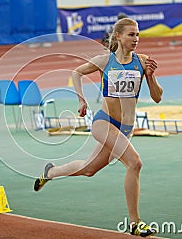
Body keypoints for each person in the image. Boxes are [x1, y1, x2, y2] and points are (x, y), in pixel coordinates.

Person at [34, 18, 163, 237]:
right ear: (119, 36)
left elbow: (157, 97)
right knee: (135, 163)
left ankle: (51, 172)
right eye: (131, 34)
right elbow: (76, 73)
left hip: (126, 128)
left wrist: (150, 77)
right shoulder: (105, 61)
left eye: (138, 34)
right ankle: (135, 222)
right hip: (104, 123)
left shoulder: (142, 62)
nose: (136, 39)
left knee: (89, 169)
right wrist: (81, 99)